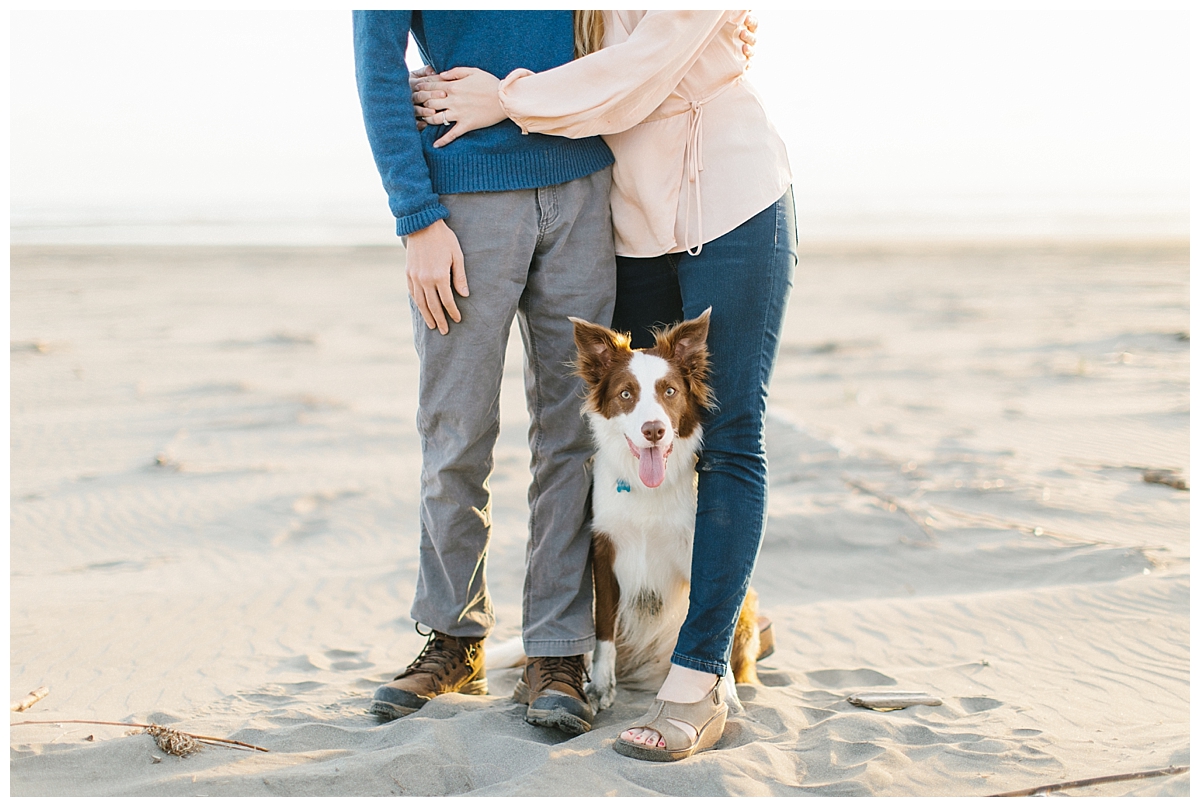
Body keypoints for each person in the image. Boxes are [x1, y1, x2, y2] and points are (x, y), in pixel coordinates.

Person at [411, 10, 797, 761]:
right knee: (629, 441)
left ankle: (699, 676)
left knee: (730, 437)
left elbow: (641, 67)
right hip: (630, 219)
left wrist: (507, 100)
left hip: (735, 200)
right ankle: (718, 604)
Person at [352, 10, 618, 736]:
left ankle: (557, 650)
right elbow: (377, 68)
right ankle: (454, 637)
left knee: (573, 436)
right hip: (461, 205)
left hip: (585, 186)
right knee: (457, 429)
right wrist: (416, 217)